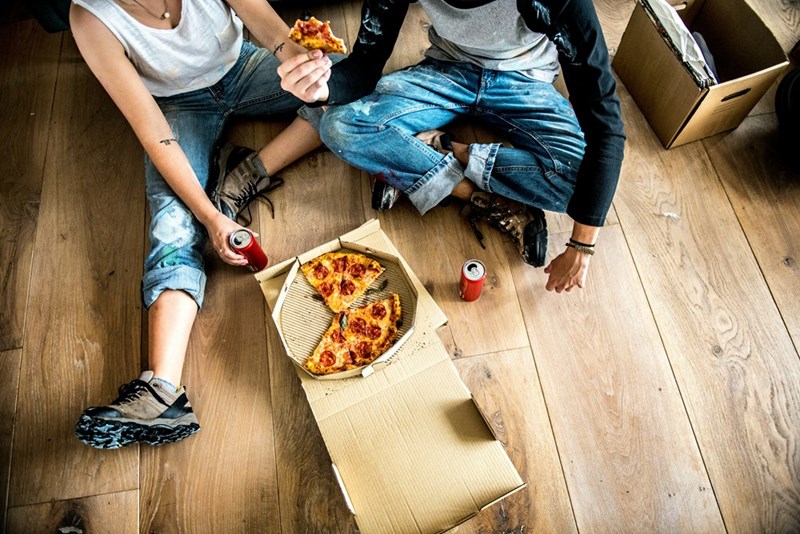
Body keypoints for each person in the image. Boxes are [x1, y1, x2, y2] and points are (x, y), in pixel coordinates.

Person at [70, 0, 332, 448]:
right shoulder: (90, 17)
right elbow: (152, 130)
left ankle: (248, 174)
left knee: (351, 89)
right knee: (173, 222)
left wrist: (298, 63)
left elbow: (271, 32)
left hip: (244, 68)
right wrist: (210, 218)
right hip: (175, 108)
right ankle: (162, 393)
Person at [278, 0, 625, 293]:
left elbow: (606, 126)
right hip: (446, 70)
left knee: (582, 191)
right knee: (339, 125)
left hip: (526, 80)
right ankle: (483, 197)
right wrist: (324, 87)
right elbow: (365, 63)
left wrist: (582, 245)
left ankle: (439, 149)